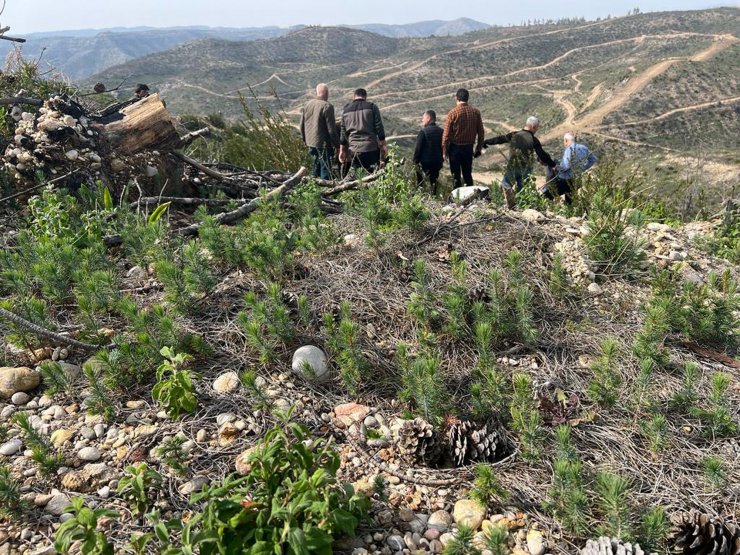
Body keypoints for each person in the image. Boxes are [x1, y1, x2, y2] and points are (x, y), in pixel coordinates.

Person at [484, 116, 557, 209]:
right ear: (533, 127)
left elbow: (499, 139)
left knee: (505, 185)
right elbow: (542, 155)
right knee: (521, 191)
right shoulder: (533, 140)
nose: (536, 130)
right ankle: (519, 208)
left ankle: (496, 203)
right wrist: (553, 164)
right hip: (526, 169)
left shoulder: (514, 135)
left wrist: (486, 142)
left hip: (513, 167)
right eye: (537, 128)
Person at [441, 88, 485, 189]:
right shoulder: (476, 112)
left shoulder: (452, 113)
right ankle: (471, 197)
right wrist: (478, 148)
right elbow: (481, 132)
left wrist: (444, 151)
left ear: (456, 98)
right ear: (467, 98)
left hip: (455, 149)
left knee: (456, 177)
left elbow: (446, 135)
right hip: (468, 148)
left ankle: (456, 199)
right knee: (467, 175)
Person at [542, 132, 598, 205]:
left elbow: (565, 167)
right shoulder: (583, 148)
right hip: (576, 180)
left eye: (564, 142)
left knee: (545, 196)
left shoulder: (569, 149)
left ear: (566, 140)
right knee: (570, 201)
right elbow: (593, 159)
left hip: (565, 181)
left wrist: (556, 167)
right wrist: (582, 169)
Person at [339, 88, 386, 172]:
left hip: (354, 150)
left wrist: (342, 151)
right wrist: (383, 147)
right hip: (370, 148)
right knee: (372, 174)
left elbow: (343, 133)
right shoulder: (372, 107)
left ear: (353, 97)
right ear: (365, 97)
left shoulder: (346, 110)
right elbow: (380, 129)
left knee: (356, 176)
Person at [300, 83, 340, 180]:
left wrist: (305, 140)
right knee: (325, 171)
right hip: (324, 145)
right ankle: (325, 193)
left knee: (315, 169)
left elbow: (301, 125)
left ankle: (314, 190)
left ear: (317, 93)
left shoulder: (307, 105)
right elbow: (331, 130)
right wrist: (338, 145)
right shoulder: (327, 106)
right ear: (326, 93)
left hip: (311, 143)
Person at [413, 110, 444, 194]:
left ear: (429, 118)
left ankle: (420, 195)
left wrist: (415, 162)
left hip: (425, 163)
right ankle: (433, 197)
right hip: (437, 162)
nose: (422, 120)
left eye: (423, 118)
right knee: (433, 183)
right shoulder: (442, 131)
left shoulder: (423, 132)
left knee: (420, 182)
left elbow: (418, 149)